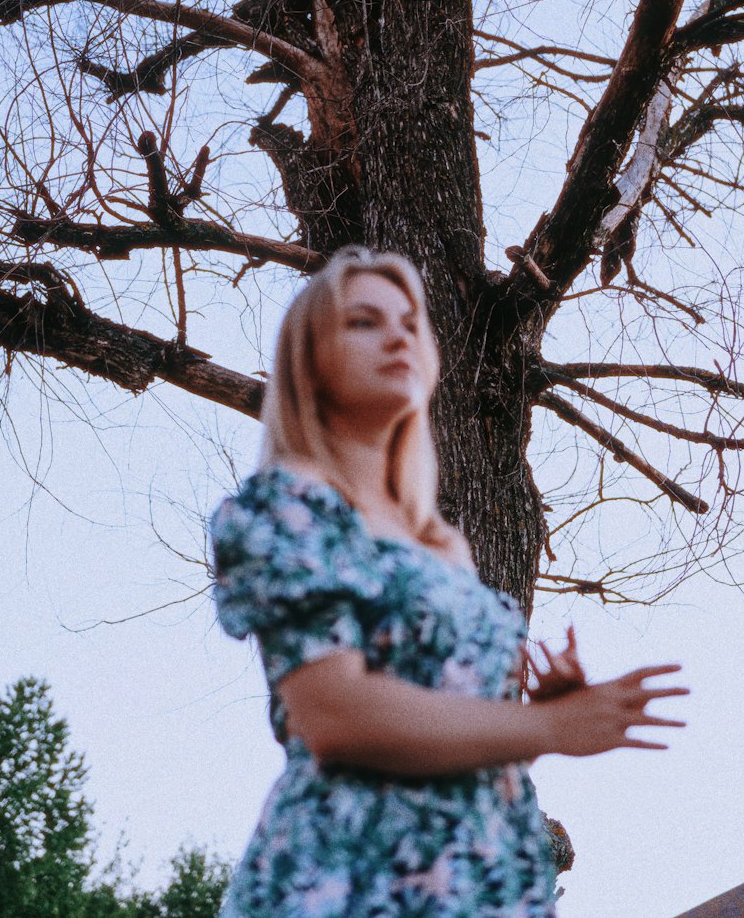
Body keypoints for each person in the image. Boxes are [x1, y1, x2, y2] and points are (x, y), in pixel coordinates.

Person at [209, 246, 688, 917]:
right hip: (353, 874)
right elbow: (335, 718)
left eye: (411, 321)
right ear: (309, 362)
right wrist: (546, 726)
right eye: (365, 322)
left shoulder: (442, 545)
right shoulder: (284, 505)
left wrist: (530, 712)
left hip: (478, 878)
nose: (400, 334)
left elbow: (455, 736)